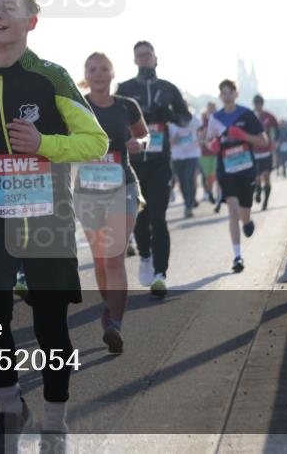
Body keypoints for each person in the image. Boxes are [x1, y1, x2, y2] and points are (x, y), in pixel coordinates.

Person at [0, 0, 107, 453]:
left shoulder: (51, 77)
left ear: (31, 20)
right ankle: (10, 409)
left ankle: (56, 421)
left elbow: (97, 142)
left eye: (8, 7)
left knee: (51, 325)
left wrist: (45, 144)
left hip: (46, 218)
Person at [75, 52, 148, 354]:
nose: (99, 74)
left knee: (115, 255)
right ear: (86, 75)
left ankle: (115, 324)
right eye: (93, 69)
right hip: (89, 192)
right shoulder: (78, 108)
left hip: (123, 187)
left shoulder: (127, 106)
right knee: (101, 259)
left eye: (104, 68)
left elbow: (144, 135)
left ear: (113, 73)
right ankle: (109, 306)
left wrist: (140, 144)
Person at [115, 41, 191, 297]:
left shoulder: (168, 88)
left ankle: (161, 274)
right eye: (139, 56)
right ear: (134, 60)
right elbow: (115, 120)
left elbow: (185, 118)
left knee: (158, 217)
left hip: (160, 162)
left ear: (156, 59)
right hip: (134, 164)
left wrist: (167, 114)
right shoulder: (125, 89)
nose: (144, 59)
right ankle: (145, 256)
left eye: (148, 55)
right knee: (140, 217)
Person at [205, 80, 269, 273]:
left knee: (244, 214)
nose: (226, 95)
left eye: (229, 92)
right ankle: (237, 256)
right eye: (223, 92)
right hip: (226, 170)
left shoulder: (246, 115)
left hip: (246, 169)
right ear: (220, 96)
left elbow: (264, 141)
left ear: (236, 94)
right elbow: (209, 141)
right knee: (232, 212)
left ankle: (248, 222)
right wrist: (213, 145)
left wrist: (243, 135)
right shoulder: (215, 118)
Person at [169, 108, 203, 218]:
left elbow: (202, 131)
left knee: (189, 177)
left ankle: (188, 206)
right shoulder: (170, 120)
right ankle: (188, 201)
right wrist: (171, 141)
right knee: (182, 181)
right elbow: (166, 138)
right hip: (177, 155)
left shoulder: (194, 119)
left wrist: (200, 139)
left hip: (192, 153)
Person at [252, 94, 279, 211]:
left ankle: (265, 202)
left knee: (266, 177)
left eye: (259, 104)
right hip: (254, 152)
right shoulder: (251, 116)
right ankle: (257, 191)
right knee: (256, 178)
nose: (258, 106)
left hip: (266, 151)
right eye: (256, 104)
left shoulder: (269, 116)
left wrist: (275, 141)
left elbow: (277, 129)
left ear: (262, 104)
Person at [198, 102, 218, 205]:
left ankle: (219, 197)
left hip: (217, 152)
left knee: (217, 174)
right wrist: (205, 141)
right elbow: (200, 138)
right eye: (209, 109)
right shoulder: (202, 122)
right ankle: (209, 192)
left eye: (213, 108)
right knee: (209, 176)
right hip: (205, 153)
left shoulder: (219, 119)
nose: (211, 111)